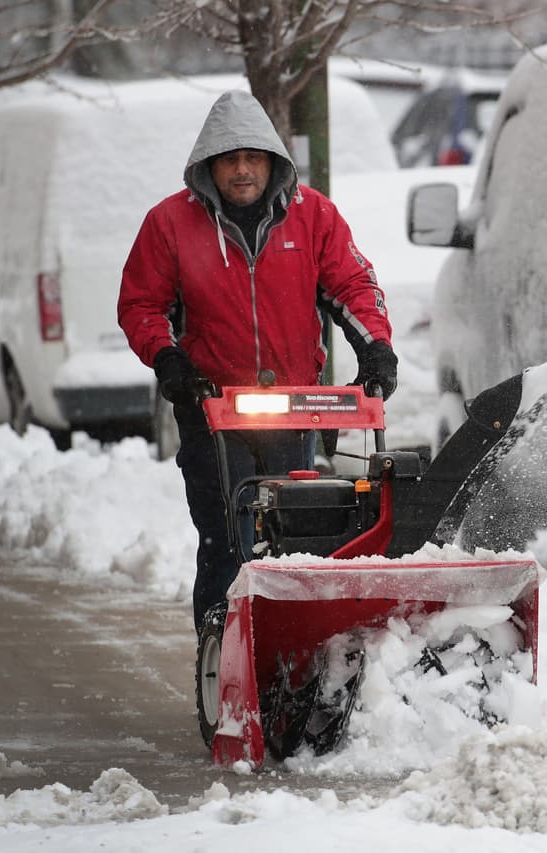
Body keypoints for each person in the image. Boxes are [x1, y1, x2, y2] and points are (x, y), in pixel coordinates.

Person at [118, 89, 397, 631]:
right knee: (228, 541)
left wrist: (376, 347)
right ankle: (223, 662)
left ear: (273, 162)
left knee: (302, 535)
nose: (242, 170)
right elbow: (141, 305)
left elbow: (354, 284)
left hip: (296, 409)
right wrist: (170, 360)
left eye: (252, 158)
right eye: (229, 160)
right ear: (209, 167)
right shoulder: (170, 224)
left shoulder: (313, 216)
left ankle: (295, 650)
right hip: (212, 412)